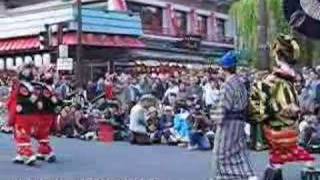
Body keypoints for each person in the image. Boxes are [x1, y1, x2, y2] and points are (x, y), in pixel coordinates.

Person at [253, 35, 314, 180]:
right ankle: (306, 167)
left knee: (283, 153)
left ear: (279, 55)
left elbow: (265, 100)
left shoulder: (276, 78)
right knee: (281, 155)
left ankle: (306, 167)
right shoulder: (290, 77)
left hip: (279, 122)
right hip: (287, 121)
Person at [210, 51, 257, 180]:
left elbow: (222, 107)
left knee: (222, 153)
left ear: (224, 68)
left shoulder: (228, 85)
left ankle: (227, 177)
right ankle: (248, 174)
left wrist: (214, 118)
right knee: (238, 151)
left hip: (228, 124)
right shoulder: (241, 83)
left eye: (220, 68)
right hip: (240, 122)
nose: (218, 71)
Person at [10, 63, 39, 165]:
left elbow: (15, 98)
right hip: (30, 113)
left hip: (22, 114)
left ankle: (28, 154)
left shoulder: (20, 85)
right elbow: (34, 100)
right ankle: (21, 154)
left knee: (21, 134)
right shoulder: (33, 86)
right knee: (22, 133)